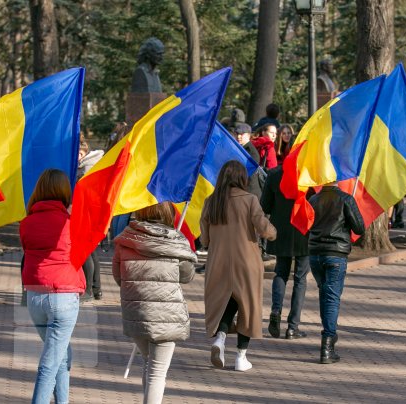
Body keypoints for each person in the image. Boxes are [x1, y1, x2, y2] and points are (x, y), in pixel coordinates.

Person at [112, 202, 197, 403]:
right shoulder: (176, 240)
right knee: (157, 372)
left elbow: (118, 276)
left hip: (136, 313)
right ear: (168, 212)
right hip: (166, 315)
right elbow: (187, 276)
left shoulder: (126, 239)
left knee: (150, 365)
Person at [200, 161, 276, 371]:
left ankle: (220, 338)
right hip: (247, 262)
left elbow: (205, 240)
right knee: (247, 306)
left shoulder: (211, 201)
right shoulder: (250, 199)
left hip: (218, 261)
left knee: (226, 303)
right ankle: (241, 357)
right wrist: (274, 230)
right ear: (242, 178)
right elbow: (264, 229)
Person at [20, 168, 85, 404]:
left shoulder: (26, 223)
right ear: (64, 191)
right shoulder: (70, 223)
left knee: (61, 354)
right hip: (63, 295)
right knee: (50, 363)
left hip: (35, 296)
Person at [308, 181, 365, 364]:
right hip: (336, 254)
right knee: (331, 298)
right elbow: (359, 228)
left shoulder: (314, 199)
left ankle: (330, 336)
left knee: (325, 295)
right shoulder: (345, 199)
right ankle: (327, 343)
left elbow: (306, 225)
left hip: (316, 255)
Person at [261, 165, 310, 339]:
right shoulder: (310, 173)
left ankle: (276, 310)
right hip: (304, 230)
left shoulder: (274, 174)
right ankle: (292, 326)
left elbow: (265, 206)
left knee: (280, 272)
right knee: (300, 279)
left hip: (281, 230)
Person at [77, 139, 105, 301]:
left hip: (87, 213)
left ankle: (88, 289)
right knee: (92, 252)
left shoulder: (88, 167)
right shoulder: (87, 165)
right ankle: (97, 288)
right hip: (89, 212)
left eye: (80, 154)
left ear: (86, 152)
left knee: (86, 251)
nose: (78, 157)